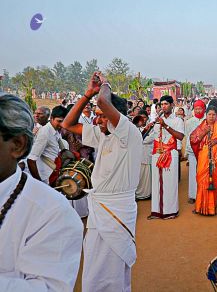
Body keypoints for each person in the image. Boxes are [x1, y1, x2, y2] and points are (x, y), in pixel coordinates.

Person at [61, 72, 142, 291]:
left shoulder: (129, 133)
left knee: (113, 270)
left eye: (103, 116)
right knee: (95, 266)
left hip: (117, 209)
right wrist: (88, 93)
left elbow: (104, 101)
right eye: (97, 116)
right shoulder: (101, 134)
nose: (98, 120)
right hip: (99, 208)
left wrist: (104, 84)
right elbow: (68, 124)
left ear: (118, 116)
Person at [0, 93, 83, 291]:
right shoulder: (47, 132)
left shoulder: (52, 212)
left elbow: (49, 287)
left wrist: (40, 184)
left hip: (47, 176)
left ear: (18, 145)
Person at [148, 95, 184, 220]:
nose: (163, 106)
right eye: (161, 104)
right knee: (156, 183)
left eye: (166, 104)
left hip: (170, 153)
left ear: (171, 105)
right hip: (157, 153)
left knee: (170, 183)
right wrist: (145, 128)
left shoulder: (178, 120)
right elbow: (152, 137)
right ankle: (156, 212)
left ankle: (170, 211)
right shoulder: (157, 120)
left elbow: (180, 136)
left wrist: (165, 126)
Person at [190, 106, 217, 215]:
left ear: (216, 116)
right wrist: (203, 133)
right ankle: (199, 207)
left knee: (214, 180)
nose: (211, 117)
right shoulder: (201, 126)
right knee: (201, 180)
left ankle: (211, 208)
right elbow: (193, 139)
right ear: (206, 115)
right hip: (203, 156)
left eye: (213, 115)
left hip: (215, 157)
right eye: (209, 114)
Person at [27, 105, 68, 184]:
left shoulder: (55, 131)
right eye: (59, 121)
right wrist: (39, 182)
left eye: (63, 122)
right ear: (51, 118)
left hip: (52, 176)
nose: (61, 124)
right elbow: (31, 159)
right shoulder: (45, 132)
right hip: (44, 178)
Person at [184, 100, 206, 204]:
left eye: (200, 108)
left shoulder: (207, 121)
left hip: (204, 150)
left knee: (204, 173)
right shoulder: (189, 122)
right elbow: (188, 136)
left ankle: (203, 194)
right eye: (196, 108)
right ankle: (193, 195)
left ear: (204, 109)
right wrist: (187, 152)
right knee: (193, 173)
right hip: (192, 151)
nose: (198, 110)